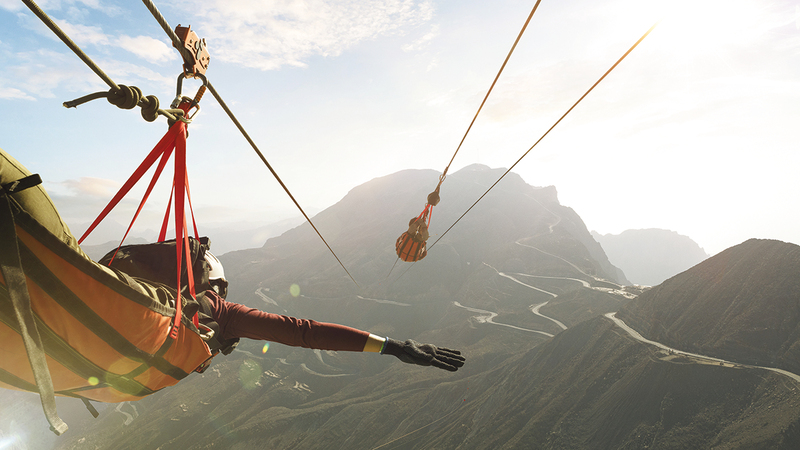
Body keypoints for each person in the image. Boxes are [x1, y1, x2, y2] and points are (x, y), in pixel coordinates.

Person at [0, 148, 465, 373]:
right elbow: (300, 332)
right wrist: (392, 345)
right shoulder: (215, 315)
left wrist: (393, 345)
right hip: (79, 319)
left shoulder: (179, 303)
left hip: (73, 301)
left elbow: (300, 331)